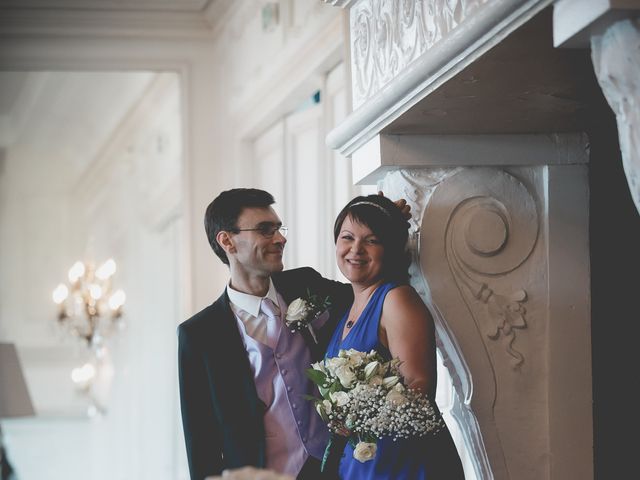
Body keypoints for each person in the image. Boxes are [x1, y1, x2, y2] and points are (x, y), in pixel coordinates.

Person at [178, 188, 355, 480]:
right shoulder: (199, 335)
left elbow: (367, 294)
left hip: (338, 468)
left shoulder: (305, 284)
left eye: (278, 228)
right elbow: (201, 442)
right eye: (265, 230)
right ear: (227, 241)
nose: (280, 238)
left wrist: (384, 225)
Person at [324, 194, 465, 479]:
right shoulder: (348, 306)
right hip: (362, 458)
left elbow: (418, 388)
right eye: (347, 237)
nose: (356, 249)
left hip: (401, 463)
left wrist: (355, 415)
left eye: (372, 240)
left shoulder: (396, 299)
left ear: (390, 248)